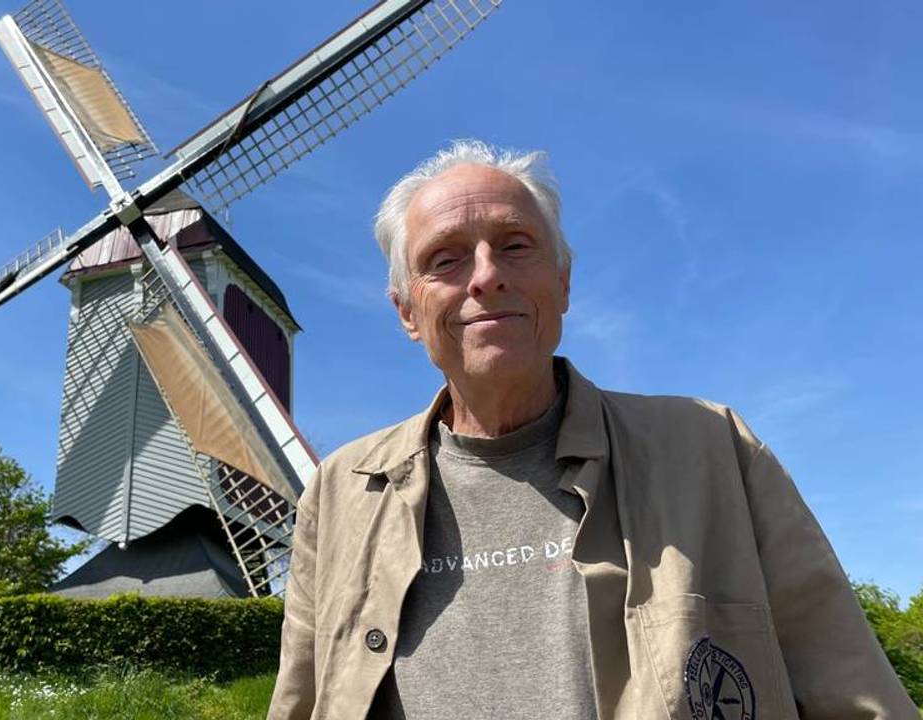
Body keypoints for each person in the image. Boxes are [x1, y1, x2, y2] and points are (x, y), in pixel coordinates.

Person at [266, 140, 915, 719]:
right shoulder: (339, 492)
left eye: (516, 245)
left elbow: (854, 695)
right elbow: (299, 702)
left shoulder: (715, 449)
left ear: (563, 282)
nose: (487, 275)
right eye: (445, 259)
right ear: (408, 311)